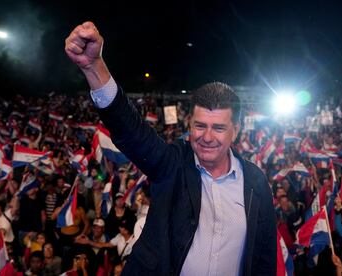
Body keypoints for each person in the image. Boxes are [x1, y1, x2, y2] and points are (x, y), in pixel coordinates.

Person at [65, 21, 276, 275]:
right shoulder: (173, 164)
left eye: (218, 128)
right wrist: (94, 67)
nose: (207, 137)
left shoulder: (255, 182)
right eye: (200, 126)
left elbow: (263, 257)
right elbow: (132, 131)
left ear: (236, 130)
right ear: (189, 124)